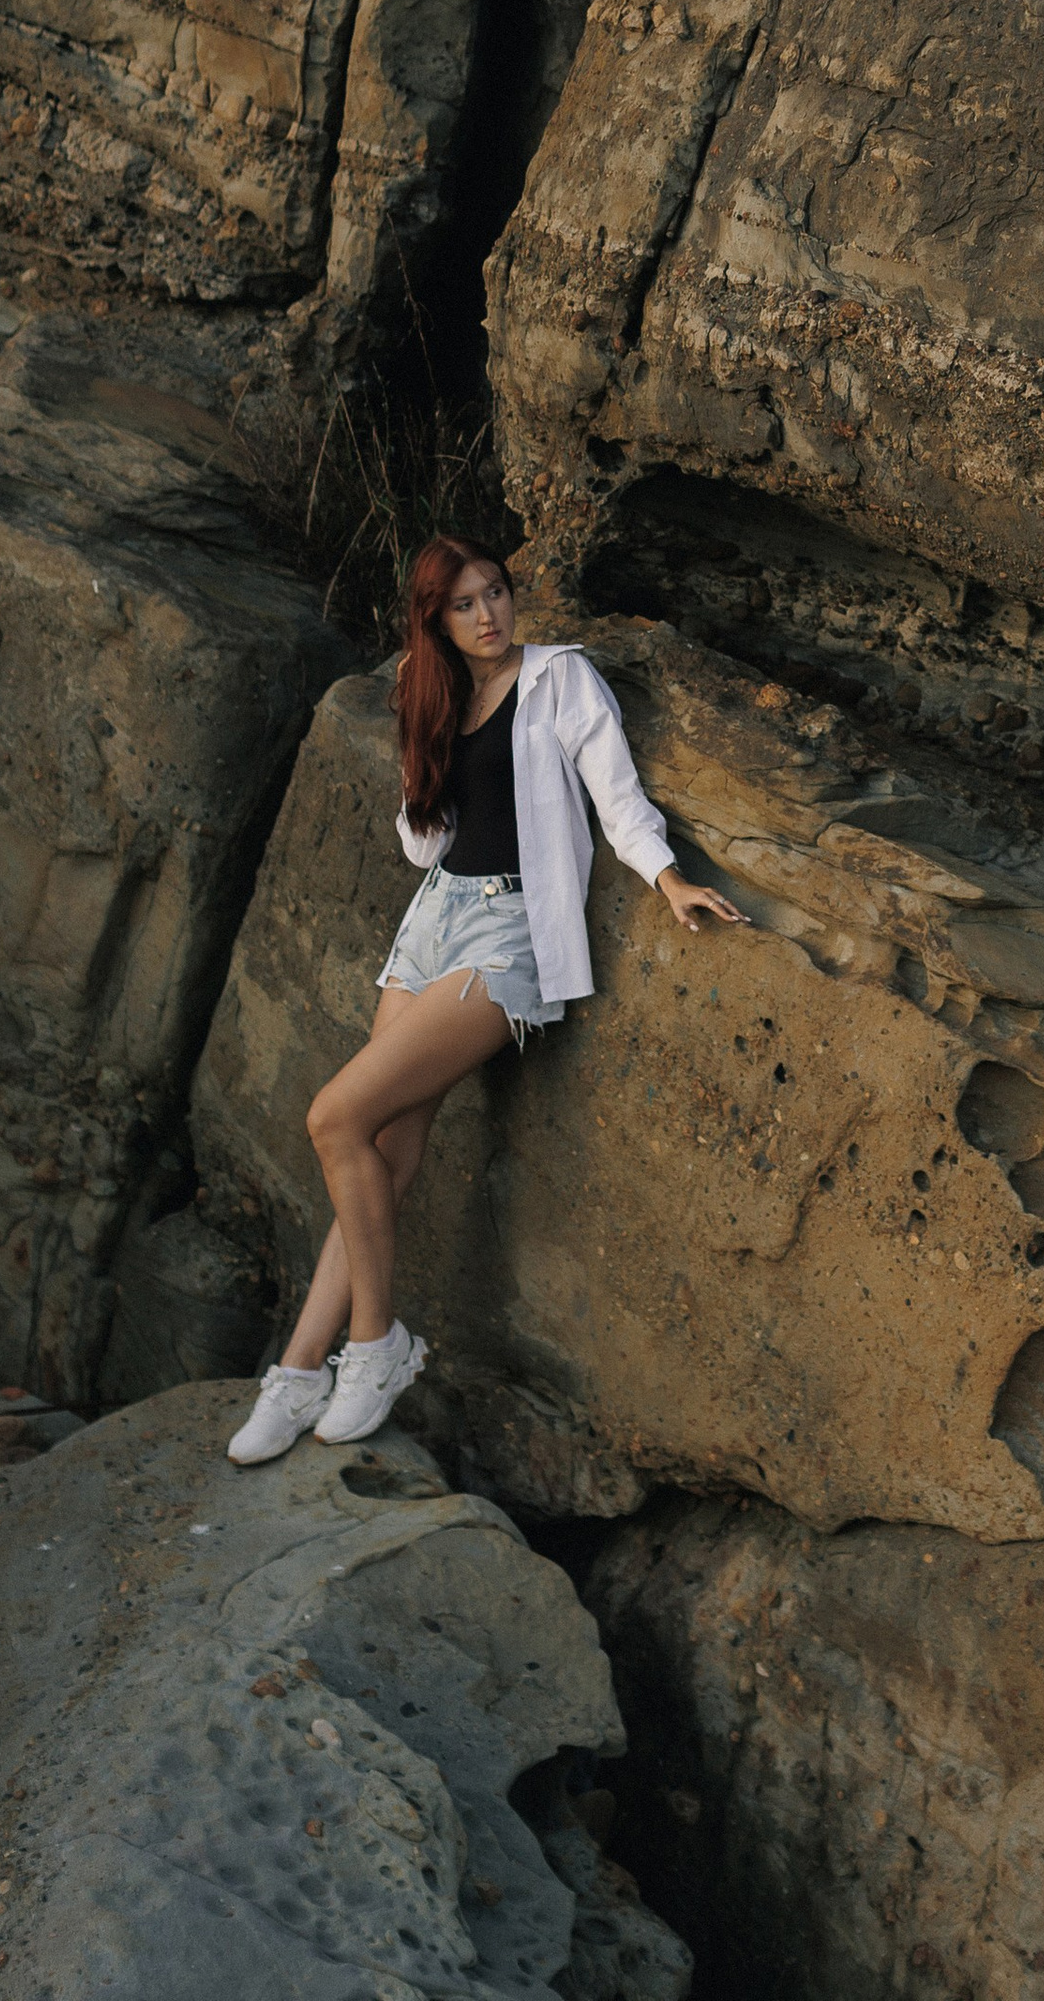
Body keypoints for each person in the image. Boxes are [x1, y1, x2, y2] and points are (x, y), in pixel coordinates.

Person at [226, 537, 743, 1460]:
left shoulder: (561, 681)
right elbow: (423, 848)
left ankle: (375, 1346)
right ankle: (302, 1371)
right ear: (438, 622)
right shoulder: (440, 698)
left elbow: (613, 791)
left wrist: (667, 878)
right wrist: (417, 737)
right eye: (464, 606)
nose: (489, 615)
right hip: (434, 923)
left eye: (496, 594)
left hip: (510, 933)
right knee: (385, 1147)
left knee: (334, 1118)